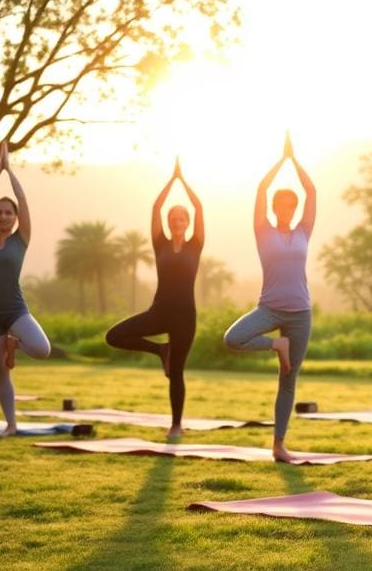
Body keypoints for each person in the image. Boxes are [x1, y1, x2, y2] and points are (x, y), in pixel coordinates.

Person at [223, 133, 316, 462]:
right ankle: (278, 346)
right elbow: (261, 190)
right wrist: (280, 162)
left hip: (301, 313)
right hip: (269, 309)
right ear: (275, 208)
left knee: (289, 380)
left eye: (291, 205)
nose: (287, 209)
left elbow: (312, 192)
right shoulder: (263, 230)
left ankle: (279, 445)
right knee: (232, 338)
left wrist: (296, 161)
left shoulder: (304, 230)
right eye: (281, 204)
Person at [106, 158, 204, 439]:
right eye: (173, 219)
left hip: (185, 315)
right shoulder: (159, 243)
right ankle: (160, 350)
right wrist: (170, 181)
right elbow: (155, 208)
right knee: (114, 336)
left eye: (181, 219)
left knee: (177, 372)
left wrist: (183, 181)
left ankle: (176, 425)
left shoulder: (195, 244)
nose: (177, 221)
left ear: (187, 223)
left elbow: (198, 207)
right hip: (159, 310)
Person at [0, 141, 51, 436]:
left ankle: (14, 344)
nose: (3, 216)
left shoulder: (23, 238)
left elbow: (22, 197)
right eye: (0, 212)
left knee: (41, 349)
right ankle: (11, 424)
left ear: (15, 217)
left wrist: (9, 169)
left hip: (15, 309)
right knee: (1, 371)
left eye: (8, 213)